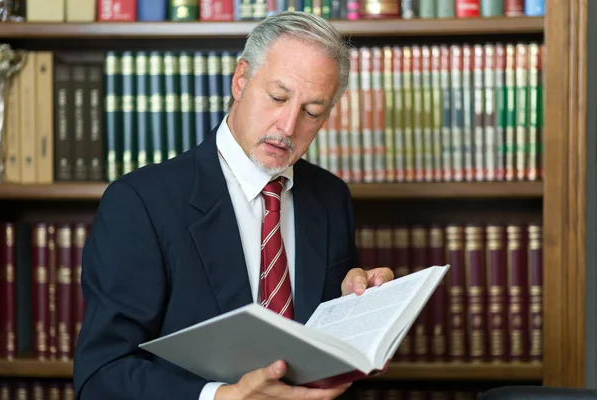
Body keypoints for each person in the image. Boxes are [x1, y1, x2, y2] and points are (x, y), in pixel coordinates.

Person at [73, 10, 394, 400]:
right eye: (277, 97)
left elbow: (323, 348)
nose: (288, 126)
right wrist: (220, 396)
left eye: (312, 112)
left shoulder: (330, 198)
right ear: (241, 80)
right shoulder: (140, 203)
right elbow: (100, 377)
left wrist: (356, 309)